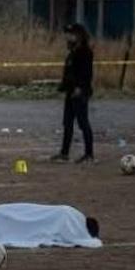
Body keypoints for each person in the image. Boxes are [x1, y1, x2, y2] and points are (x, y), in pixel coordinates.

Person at [51, 23, 95, 164]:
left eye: (71, 34)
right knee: (67, 123)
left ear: (79, 35)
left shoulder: (85, 52)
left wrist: (80, 88)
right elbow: (69, 72)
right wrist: (64, 86)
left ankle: (89, 154)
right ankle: (64, 153)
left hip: (80, 92)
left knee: (83, 123)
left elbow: (86, 74)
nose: (68, 37)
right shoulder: (72, 52)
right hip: (70, 91)